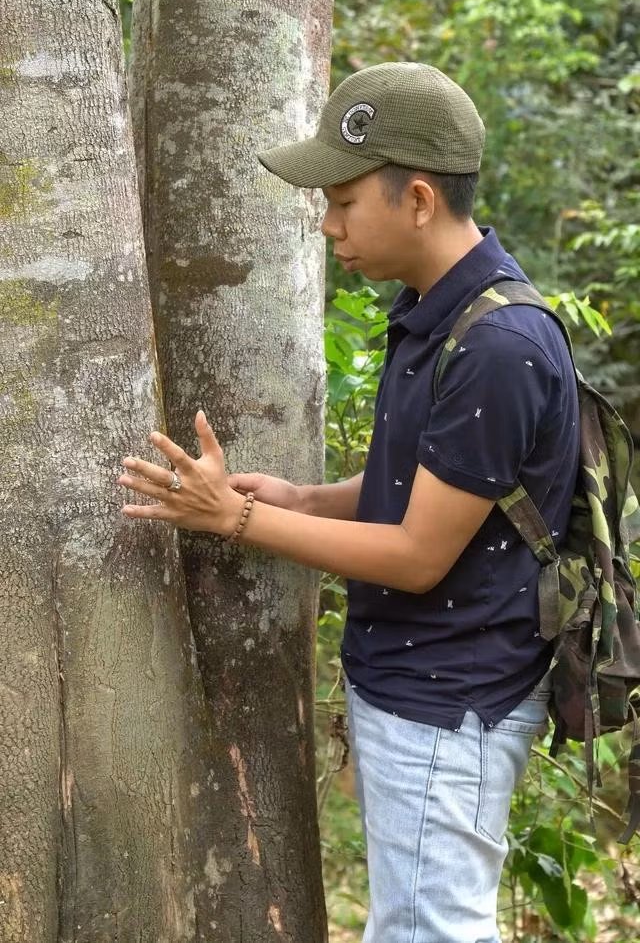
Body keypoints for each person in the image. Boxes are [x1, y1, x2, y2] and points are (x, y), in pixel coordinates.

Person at [119, 63, 580, 943]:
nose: (328, 226)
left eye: (342, 202)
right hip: (417, 686)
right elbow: (436, 485)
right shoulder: (438, 310)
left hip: (451, 702)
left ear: (415, 199)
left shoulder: (498, 345)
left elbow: (418, 553)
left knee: (432, 931)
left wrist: (240, 520)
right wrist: (304, 497)